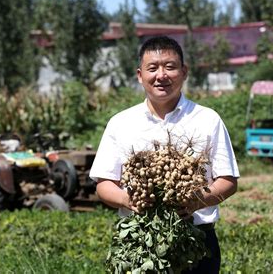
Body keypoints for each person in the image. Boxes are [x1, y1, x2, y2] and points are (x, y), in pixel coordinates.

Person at [89, 36, 239, 273]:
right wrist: (129, 200)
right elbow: (104, 183)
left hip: (196, 240)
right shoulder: (120, 123)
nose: (161, 75)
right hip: (139, 239)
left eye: (170, 66)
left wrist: (195, 202)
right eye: (153, 68)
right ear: (140, 75)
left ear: (184, 72)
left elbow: (228, 181)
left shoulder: (208, 119)